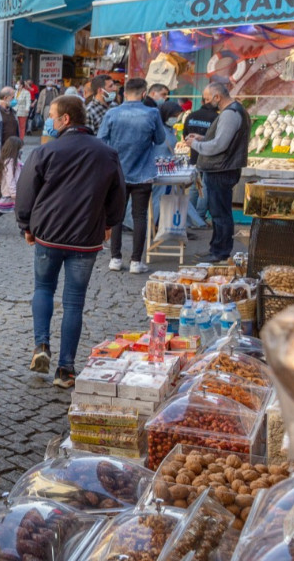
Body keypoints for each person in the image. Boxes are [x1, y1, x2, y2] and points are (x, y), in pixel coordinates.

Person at [16, 96, 126, 388]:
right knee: (74, 302)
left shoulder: (46, 151)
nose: (50, 121)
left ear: (66, 119)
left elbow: (26, 189)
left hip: (49, 235)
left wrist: (26, 225)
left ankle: (41, 346)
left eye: (53, 116)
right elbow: (118, 194)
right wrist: (109, 225)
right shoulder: (107, 153)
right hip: (86, 238)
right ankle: (66, 370)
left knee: (43, 288)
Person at [99, 78, 166, 274]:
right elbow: (160, 139)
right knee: (140, 216)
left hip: (117, 172)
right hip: (143, 172)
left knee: (116, 216)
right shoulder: (152, 113)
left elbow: (101, 140)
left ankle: (115, 258)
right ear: (144, 94)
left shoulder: (112, 113)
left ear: (124, 93)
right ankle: (136, 261)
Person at [186, 82, 251, 263]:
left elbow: (220, 145)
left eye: (207, 98)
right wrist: (203, 137)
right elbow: (220, 139)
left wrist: (196, 145)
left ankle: (220, 251)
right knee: (217, 211)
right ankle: (216, 248)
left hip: (222, 169)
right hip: (222, 168)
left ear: (217, 97)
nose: (205, 102)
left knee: (220, 213)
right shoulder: (232, 111)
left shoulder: (231, 113)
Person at [182, 100, 219, 227]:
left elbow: (185, 135)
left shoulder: (191, 116)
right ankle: (200, 218)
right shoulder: (216, 118)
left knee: (194, 187)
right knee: (204, 187)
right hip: (209, 158)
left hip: (194, 157)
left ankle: (189, 218)